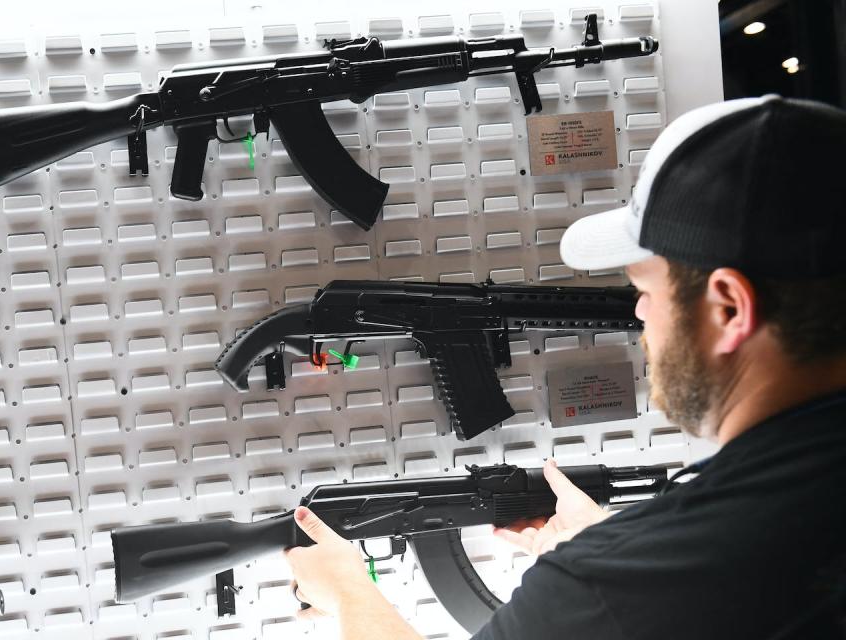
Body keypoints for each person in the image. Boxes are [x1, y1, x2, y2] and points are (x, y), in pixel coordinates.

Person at [284, 95, 846, 639]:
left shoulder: (629, 580)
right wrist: (613, 558)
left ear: (729, 309)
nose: (640, 312)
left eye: (646, 289)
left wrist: (347, 593)